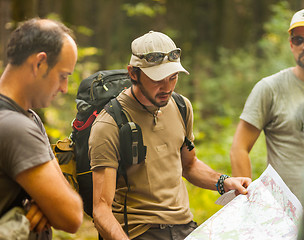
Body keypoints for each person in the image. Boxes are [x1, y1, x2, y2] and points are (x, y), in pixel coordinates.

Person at [89, 30, 251, 240]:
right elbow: (101, 210)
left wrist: (224, 182)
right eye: (157, 80)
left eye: (173, 77)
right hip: (140, 231)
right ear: (133, 73)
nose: (167, 87)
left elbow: (189, 166)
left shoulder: (181, 106)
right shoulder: (109, 124)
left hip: (185, 227)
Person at [0, 18, 83, 239]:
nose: (64, 88)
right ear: (39, 63)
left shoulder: (29, 118)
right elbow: (72, 215)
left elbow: (62, 194)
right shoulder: (14, 127)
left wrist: (48, 203)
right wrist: (51, 205)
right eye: (63, 76)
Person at [230, 9, 304, 200]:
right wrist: (248, 201)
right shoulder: (270, 88)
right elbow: (239, 147)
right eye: (299, 40)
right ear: (291, 44)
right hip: (286, 217)